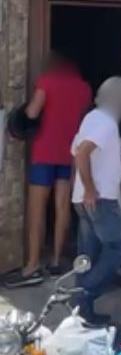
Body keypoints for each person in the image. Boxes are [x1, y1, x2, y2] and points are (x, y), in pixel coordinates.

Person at [4, 52, 92, 288]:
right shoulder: (83, 88)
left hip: (44, 152)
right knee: (62, 207)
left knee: (37, 208)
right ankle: (55, 262)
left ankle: (32, 265)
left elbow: (32, 113)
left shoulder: (46, 82)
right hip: (69, 153)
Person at [72, 76, 121, 325]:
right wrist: (89, 189)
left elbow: (76, 153)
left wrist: (79, 191)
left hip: (84, 199)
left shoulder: (91, 118)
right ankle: (84, 295)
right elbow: (82, 152)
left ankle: (81, 309)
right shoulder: (106, 122)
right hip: (99, 199)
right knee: (119, 247)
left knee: (88, 253)